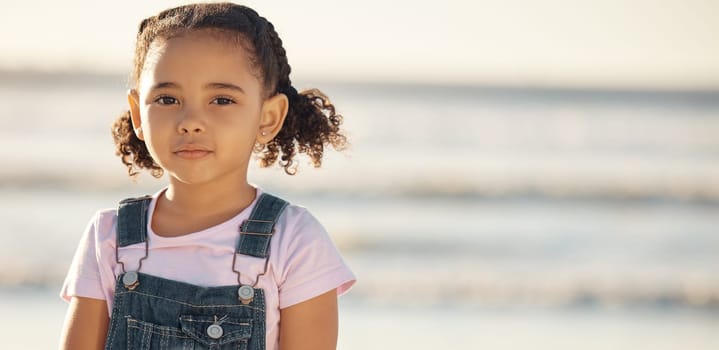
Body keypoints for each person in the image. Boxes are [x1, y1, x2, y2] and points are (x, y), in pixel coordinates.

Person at [58, 3, 356, 349]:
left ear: (268, 117)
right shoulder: (109, 238)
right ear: (138, 114)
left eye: (222, 100)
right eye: (168, 98)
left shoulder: (294, 240)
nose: (191, 120)